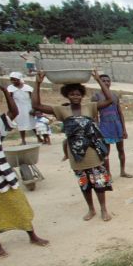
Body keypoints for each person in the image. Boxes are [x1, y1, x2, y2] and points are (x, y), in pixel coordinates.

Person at [32, 70, 115, 221]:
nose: (75, 97)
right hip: (76, 154)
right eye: (72, 94)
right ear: (67, 95)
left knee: (99, 182)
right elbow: (36, 105)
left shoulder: (90, 107)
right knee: (84, 183)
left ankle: (104, 209)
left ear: (82, 95)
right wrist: (37, 83)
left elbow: (109, 100)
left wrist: (98, 80)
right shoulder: (61, 110)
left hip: (92, 151)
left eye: (78, 94)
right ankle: (91, 209)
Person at [0, 83, 49, 257]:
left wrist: (7, 93)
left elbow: (13, 113)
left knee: (20, 208)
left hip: (6, 179)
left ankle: (32, 235)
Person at [92, 74, 132, 178]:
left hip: (117, 125)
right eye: (103, 81)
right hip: (105, 126)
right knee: (106, 152)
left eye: (108, 81)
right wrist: (97, 130)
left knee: (121, 150)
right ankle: (108, 174)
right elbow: (95, 115)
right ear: (99, 82)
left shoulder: (114, 96)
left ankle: (122, 171)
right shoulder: (96, 96)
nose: (106, 83)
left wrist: (124, 129)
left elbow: (120, 113)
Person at [7, 72, 35, 145]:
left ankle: (39, 137)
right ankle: (23, 140)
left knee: (32, 123)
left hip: (28, 107)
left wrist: (34, 108)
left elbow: (33, 98)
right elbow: (10, 100)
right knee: (21, 124)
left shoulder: (27, 88)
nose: (13, 81)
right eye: (12, 80)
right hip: (18, 108)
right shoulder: (10, 88)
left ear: (19, 79)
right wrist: (10, 110)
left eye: (15, 80)